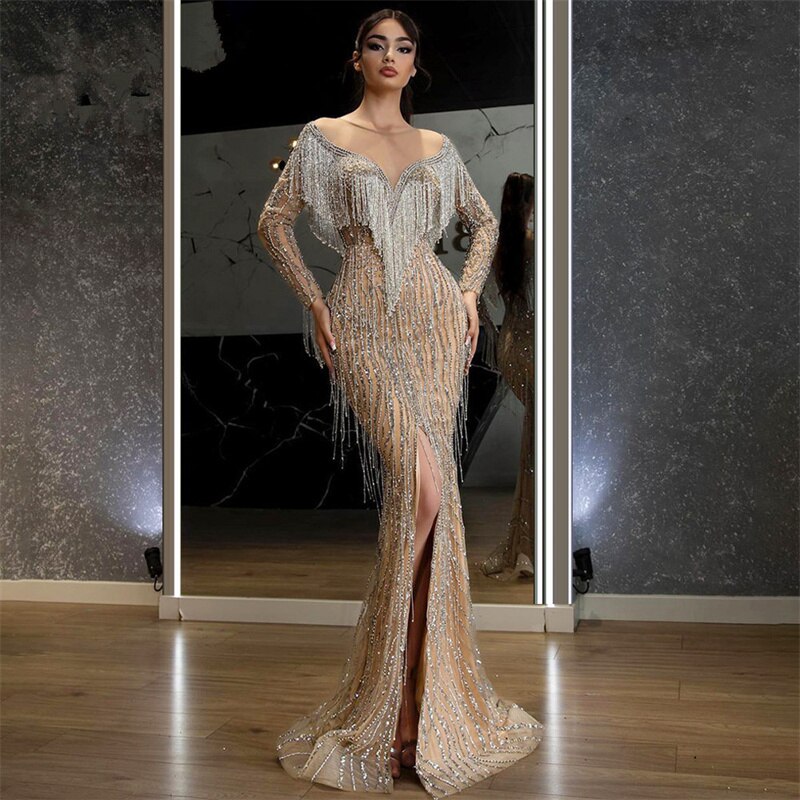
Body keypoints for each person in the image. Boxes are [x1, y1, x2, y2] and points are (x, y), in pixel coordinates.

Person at [257, 9, 543, 798]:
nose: (391, 56)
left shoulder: (439, 149)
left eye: (404, 47)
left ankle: (415, 707)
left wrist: (466, 294)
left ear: (416, 64)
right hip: (359, 321)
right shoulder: (323, 138)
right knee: (422, 490)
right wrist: (315, 302)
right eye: (377, 45)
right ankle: (391, 701)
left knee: (430, 499)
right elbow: (273, 223)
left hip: (432, 322)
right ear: (357, 58)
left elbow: (484, 225)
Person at [479, 173, 536, 581]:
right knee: (536, 445)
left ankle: (528, 541)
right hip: (534, 344)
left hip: (512, 344)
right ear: (530, 203)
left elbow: (480, 300)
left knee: (534, 442)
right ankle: (531, 543)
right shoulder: (534, 244)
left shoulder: (502, 247)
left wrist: (495, 330)